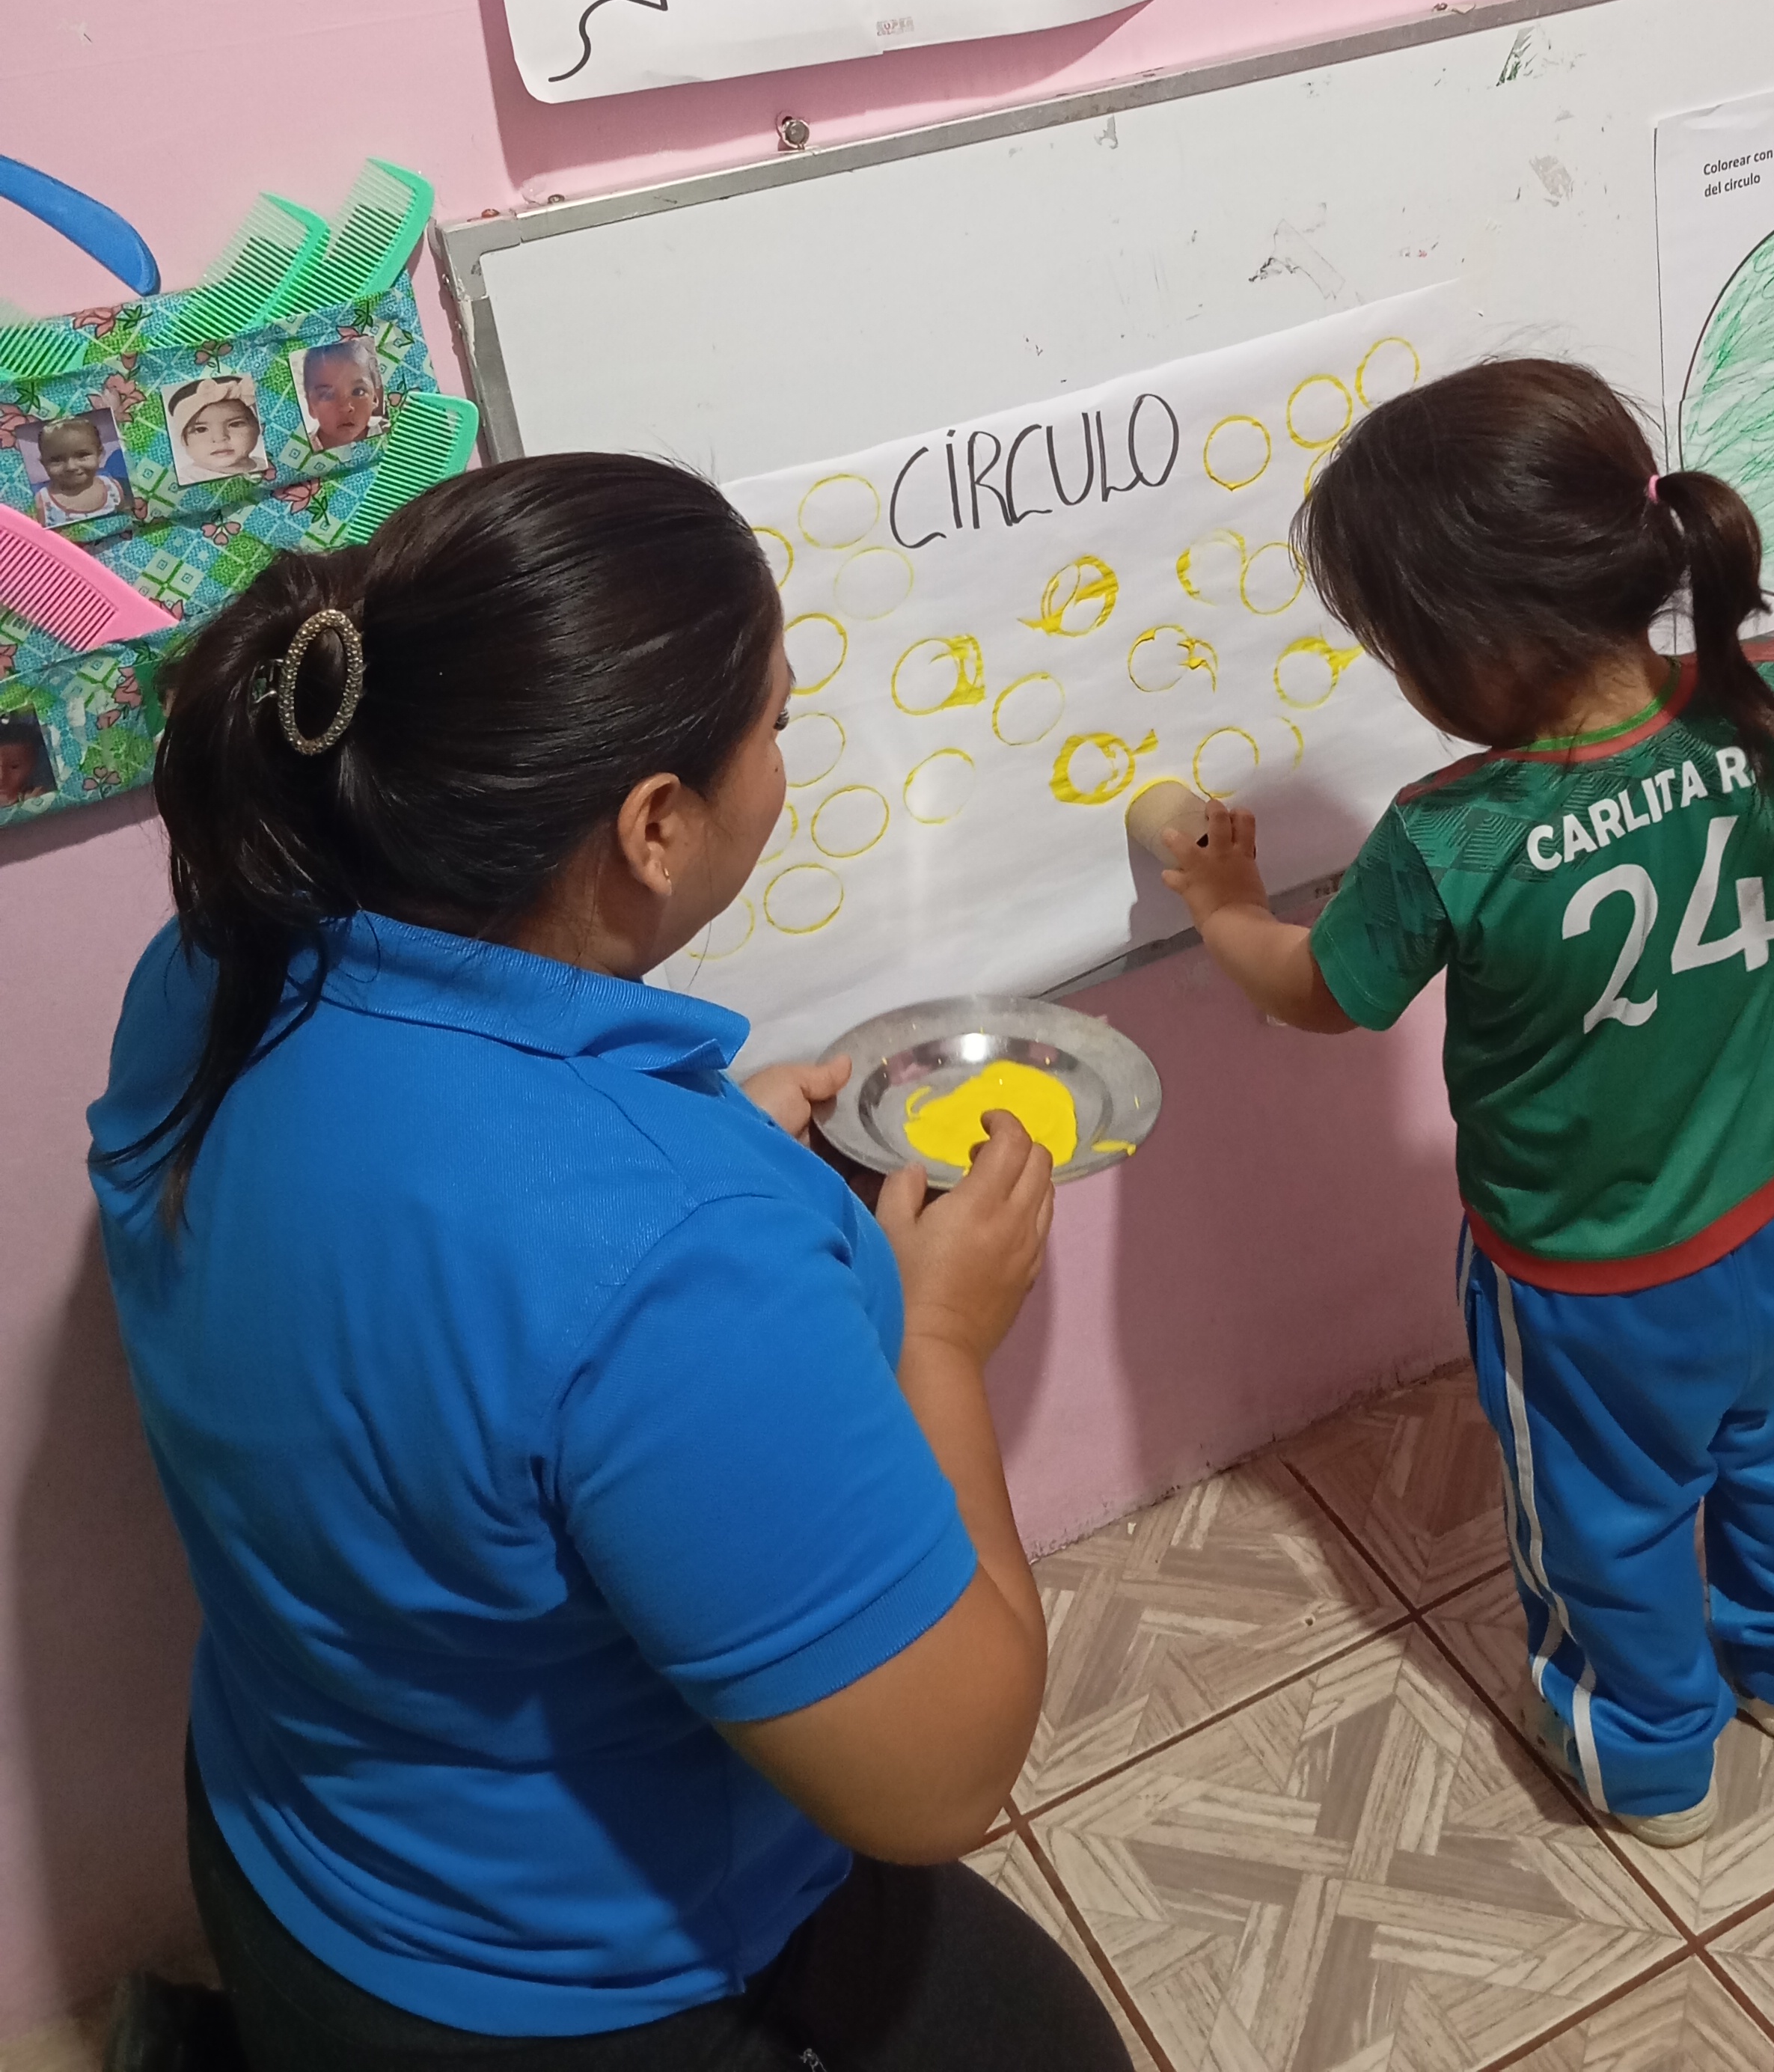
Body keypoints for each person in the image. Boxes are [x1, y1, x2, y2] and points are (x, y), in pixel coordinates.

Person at [90, 454, 1124, 2071]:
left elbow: (437, 1228)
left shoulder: (209, 968)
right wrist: (937, 1340)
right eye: (774, 726)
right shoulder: (669, 1262)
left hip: (287, 1850)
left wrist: (679, 1142)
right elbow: (943, 1782)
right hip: (553, 1989)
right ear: (654, 827)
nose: (782, 758)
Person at [1157, 360, 1774, 1848]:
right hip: (1772, 1213)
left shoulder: (1450, 838)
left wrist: (1220, 907)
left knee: (1608, 1516)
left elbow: (1318, 993)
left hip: (1585, 1286)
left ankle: (1649, 1759)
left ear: (1473, 645)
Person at [168, 379, 268, 486]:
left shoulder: (264, 463)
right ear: (183, 440)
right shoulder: (186, 479)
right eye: (201, 430)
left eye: (235, 424)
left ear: (258, 428)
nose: (219, 438)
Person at [34, 410, 127, 525]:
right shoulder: (43, 503)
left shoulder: (113, 488)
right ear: (44, 464)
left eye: (82, 455)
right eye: (57, 460)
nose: (71, 467)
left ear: (100, 455)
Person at [297, 334, 387, 453]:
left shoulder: (388, 433)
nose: (346, 407)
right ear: (310, 405)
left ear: (374, 398)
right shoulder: (301, 449)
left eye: (358, 392)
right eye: (328, 395)